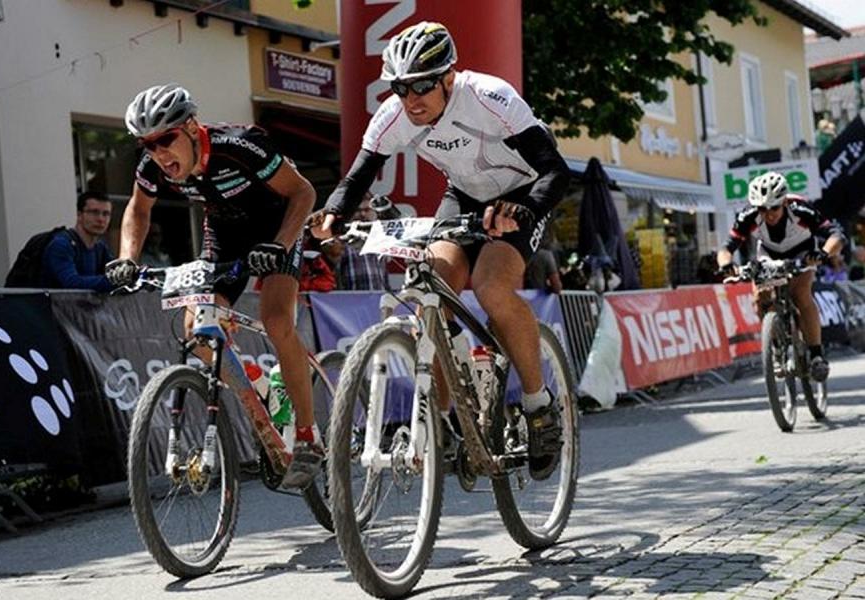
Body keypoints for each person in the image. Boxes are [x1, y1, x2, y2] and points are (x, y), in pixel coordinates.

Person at [313, 22, 571, 480]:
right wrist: (333, 213)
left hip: (521, 193)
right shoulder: (393, 116)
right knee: (431, 286)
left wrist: (527, 210)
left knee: (491, 288)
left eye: (422, 86)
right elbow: (357, 178)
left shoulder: (490, 96)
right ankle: (452, 418)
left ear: (449, 77)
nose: (411, 99)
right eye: (400, 88)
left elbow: (555, 170)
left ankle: (538, 405)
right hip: (465, 196)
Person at [105, 84, 321, 490]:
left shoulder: (239, 146)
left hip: (278, 228)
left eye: (166, 139)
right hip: (224, 234)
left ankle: (308, 436)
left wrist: (280, 245)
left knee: (277, 321)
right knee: (198, 333)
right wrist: (128, 259)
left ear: (191, 127)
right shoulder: (153, 167)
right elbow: (138, 209)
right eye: (147, 144)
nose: (158, 153)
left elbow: (303, 192)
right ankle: (263, 387)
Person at [717, 171, 845, 381]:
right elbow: (726, 247)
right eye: (763, 209)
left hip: (803, 252)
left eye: (774, 207)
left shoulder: (800, 208)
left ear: (784, 202)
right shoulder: (749, 215)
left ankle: (816, 354)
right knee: (760, 296)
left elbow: (836, 235)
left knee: (800, 293)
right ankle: (776, 346)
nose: (769, 214)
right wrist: (726, 265)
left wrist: (822, 254)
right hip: (769, 253)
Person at [41, 191, 115, 291]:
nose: (101, 219)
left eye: (106, 214)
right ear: (79, 215)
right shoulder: (62, 244)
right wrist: (114, 280)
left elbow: (115, 272)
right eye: (94, 212)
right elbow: (71, 282)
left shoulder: (100, 248)